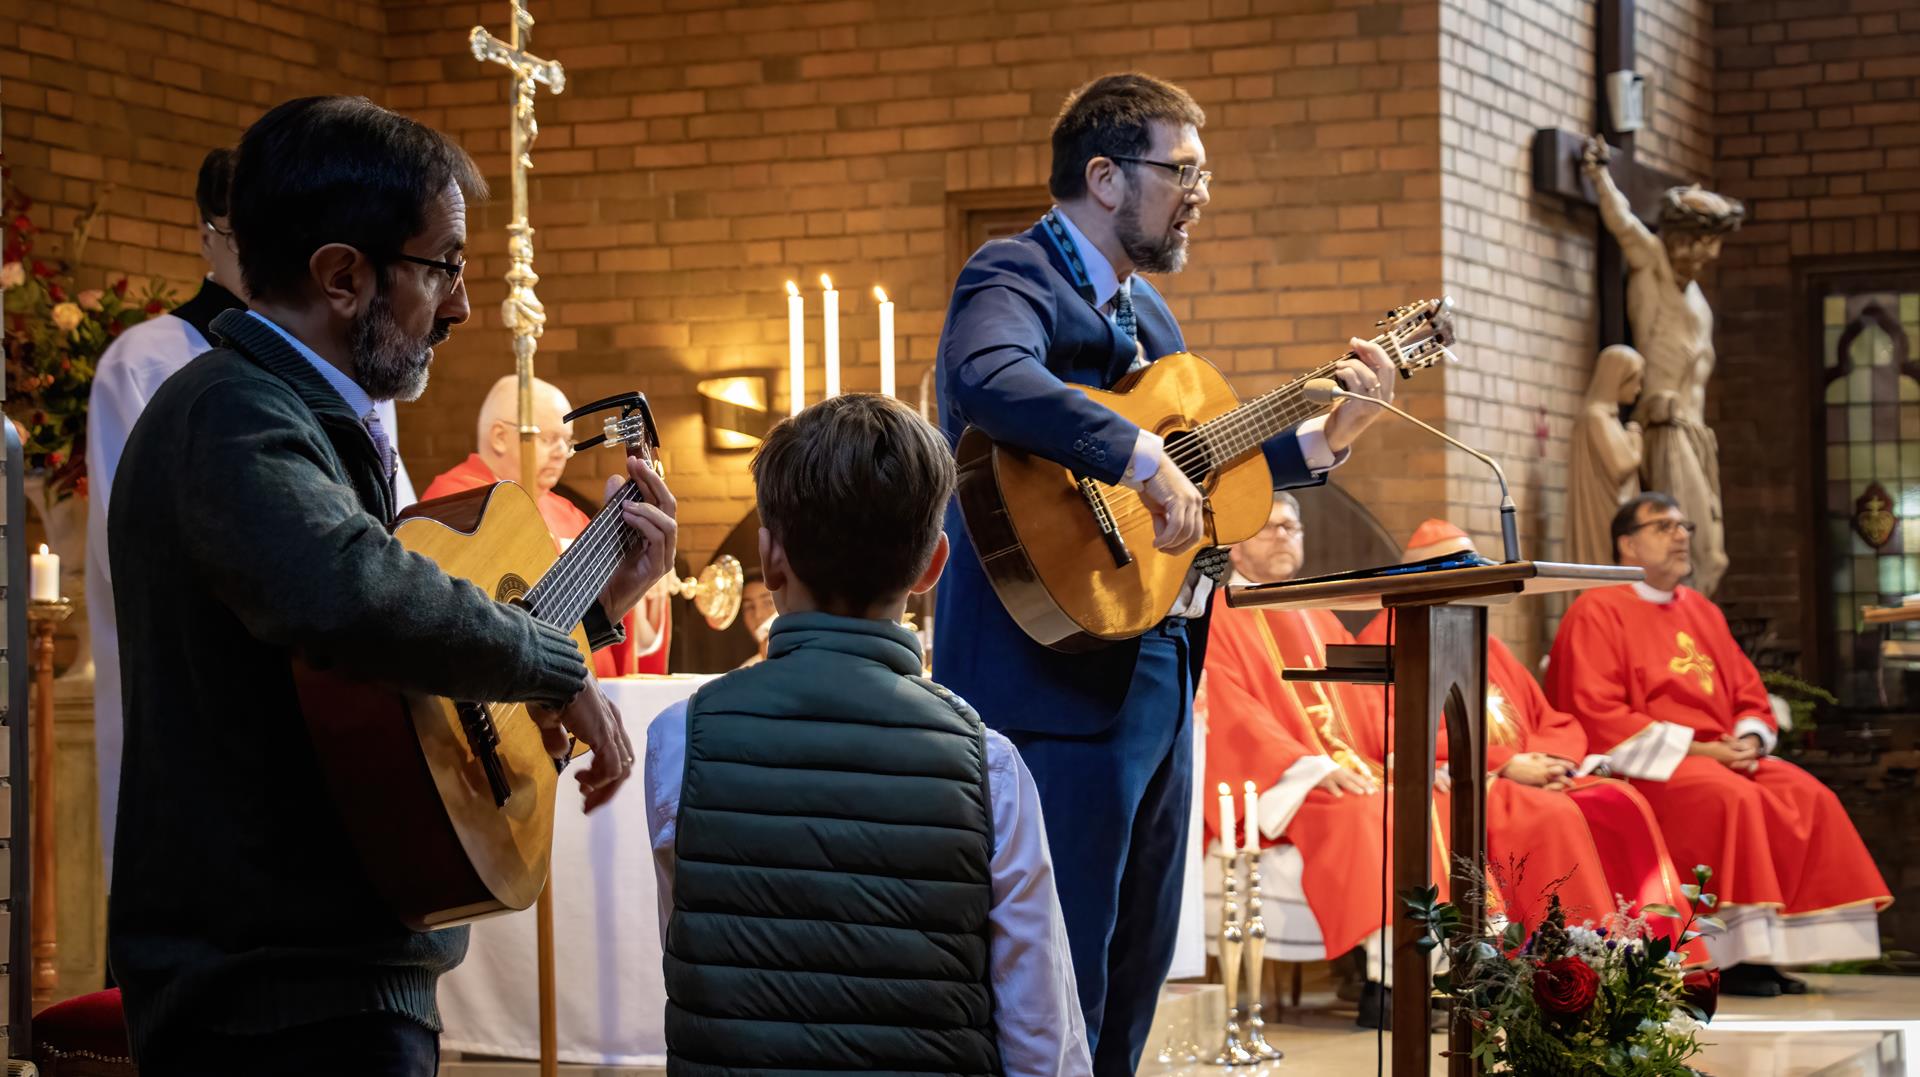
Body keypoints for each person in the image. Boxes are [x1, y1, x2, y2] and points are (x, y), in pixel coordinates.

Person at [107, 95, 677, 1074]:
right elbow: (349, 594)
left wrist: (596, 603)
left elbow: (370, 692)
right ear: (340, 275)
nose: (459, 305)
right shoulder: (230, 414)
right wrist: (549, 662)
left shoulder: (303, 420)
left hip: (322, 978)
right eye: (444, 266)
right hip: (269, 1000)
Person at [932, 72, 1397, 1071]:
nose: (1202, 193)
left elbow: (1204, 468)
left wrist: (1323, 444)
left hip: (1158, 659)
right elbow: (989, 380)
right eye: (1183, 170)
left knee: (1134, 955)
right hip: (1049, 673)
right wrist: (1134, 458)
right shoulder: (1011, 276)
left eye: (1204, 172)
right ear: (1104, 176)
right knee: (1054, 963)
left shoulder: (1157, 323)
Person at [645, 394, 1089, 1076]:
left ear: (771, 557)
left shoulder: (681, 741)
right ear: (932, 567)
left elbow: (698, 958)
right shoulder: (989, 768)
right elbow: (1040, 1030)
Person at [85, 148, 420, 880]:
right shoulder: (147, 362)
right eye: (239, 235)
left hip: (355, 702)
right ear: (207, 236)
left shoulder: (352, 366)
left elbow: (401, 532)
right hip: (212, 692)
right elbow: (137, 543)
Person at [1546, 492, 1891, 995]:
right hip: (1650, 764)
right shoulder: (1596, 611)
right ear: (1627, 544)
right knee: (1731, 800)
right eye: (1663, 526)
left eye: (1683, 525)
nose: (1681, 535)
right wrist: (1701, 751)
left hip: (1721, 754)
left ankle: (1770, 953)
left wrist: (1750, 738)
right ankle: (1725, 960)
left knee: (1808, 796)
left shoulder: (1702, 612)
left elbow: (1748, 692)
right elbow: (1595, 711)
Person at [1359, 520, 1707, 960]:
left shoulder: (1484, 638)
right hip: (1466, 779)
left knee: (1621, 802)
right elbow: (1391, 732)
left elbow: (1552, 719)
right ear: (1416, 577)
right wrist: (1503, 764)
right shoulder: (1386, 638)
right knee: (1552, 817)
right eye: (1454, 570)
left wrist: (1548, 760)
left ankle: (1649, 957)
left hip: (1523, 772)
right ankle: (1567, 964)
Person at [1196, 494, 1396, 1026]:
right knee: (1361, 814)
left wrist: (1393, 754)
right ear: (1235, 547)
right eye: (1271, 528)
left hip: (1339, 771)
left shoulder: (1318, 612)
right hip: (1274, 786)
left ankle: (1411, 972)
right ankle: (1381, 985)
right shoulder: (1217, 613)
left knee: (1419, 803)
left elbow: (1363, 700)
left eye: (1293, 526)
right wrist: (1311, 770)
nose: (1286, 535)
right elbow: (1231, 712)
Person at [420, 373, 670, 676]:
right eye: (550, 439)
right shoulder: (459, 500)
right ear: (499, 436)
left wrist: (644, 589)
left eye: (567, 443)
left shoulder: (571, 514)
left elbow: (607, 615)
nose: (561, 454)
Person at [1582, 136, 1744, 594]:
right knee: (1700, 552)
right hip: (1666, 428)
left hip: (1695, 435)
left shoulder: (1696, 296)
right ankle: (1684, 629)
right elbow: (1623, 223)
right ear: (1680, 237)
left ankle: (1693, 630)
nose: (1711, 254)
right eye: (1704, 240)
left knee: (1713, 551)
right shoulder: (1653, 266)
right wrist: (1599, 175)